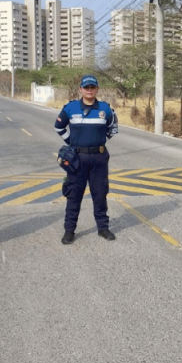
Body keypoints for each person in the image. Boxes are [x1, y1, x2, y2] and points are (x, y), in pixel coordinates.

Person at [55, 75, 119, 244]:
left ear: (97, 89)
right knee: (74, 195)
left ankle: (103, 228)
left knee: (100, 194)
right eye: (86, 87)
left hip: (99, 158)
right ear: (80, 90)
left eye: (93, 87)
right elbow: (58, 126)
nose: (89, 90)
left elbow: (113, 129)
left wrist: (98, 142)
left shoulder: (105, 108)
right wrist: (72, 143)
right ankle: (69, 230)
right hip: (77, 159)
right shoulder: (70, 108)